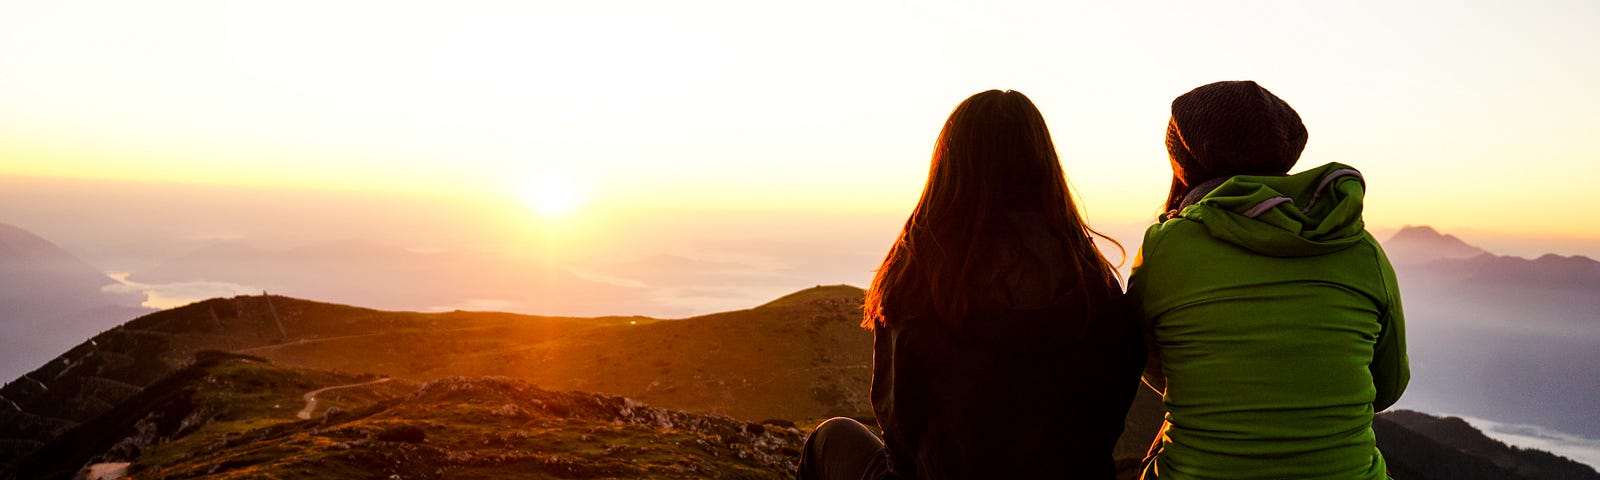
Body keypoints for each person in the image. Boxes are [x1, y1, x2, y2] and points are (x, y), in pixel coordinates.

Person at [798, 90, 1144, 480]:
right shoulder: (1095, 284)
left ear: (948, 168)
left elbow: (899, 431)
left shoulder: (919, 279)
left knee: (829, 439)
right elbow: (1113, 406)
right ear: (1044, 165)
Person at [1129, 80, 1410, 479]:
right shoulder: (1357, 246)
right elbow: (1388, 386)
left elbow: (1152, 362)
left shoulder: (1165, 248)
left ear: (1183, 163)